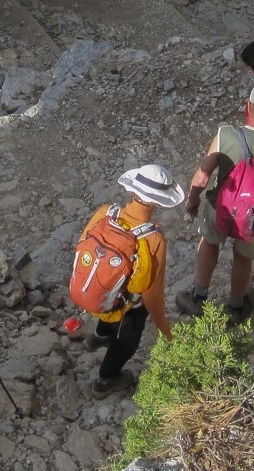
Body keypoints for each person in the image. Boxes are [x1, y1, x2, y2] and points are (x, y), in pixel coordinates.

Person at [175, 83, 254, 325]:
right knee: (243, 257)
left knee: (209, 242)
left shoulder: (226, 135)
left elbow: (202, 177)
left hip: (219, 207)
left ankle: (198, 298)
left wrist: (192, 201)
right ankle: (235, 307)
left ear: (248, 106)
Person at [70, 165, 184, 396]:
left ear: (132, 190)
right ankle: (105, 380)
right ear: (159, 202)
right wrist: (164, 329)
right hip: (125, 307)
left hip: (97, 292)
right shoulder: (153, 239)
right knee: (127, 342)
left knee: (111, 290)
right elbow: (152, 292)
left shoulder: (105, 212)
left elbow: (81, 245)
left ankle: (98, 338)